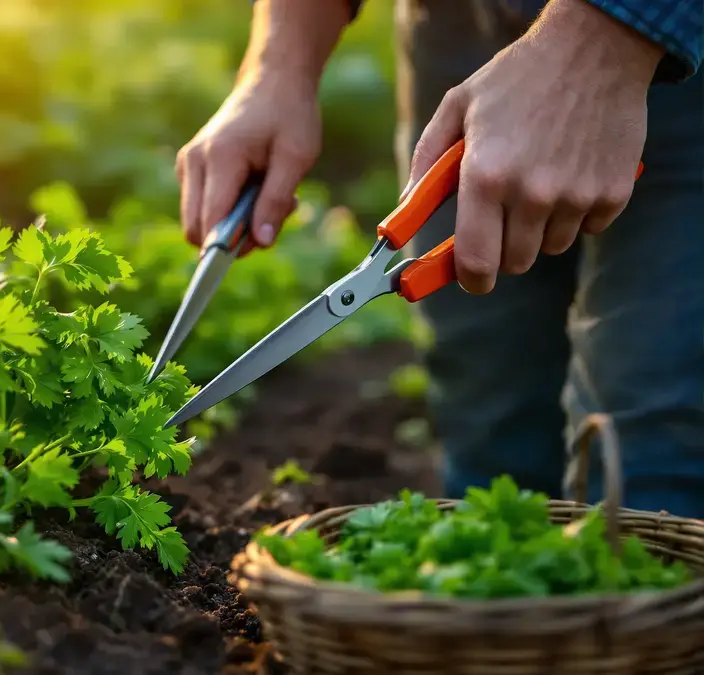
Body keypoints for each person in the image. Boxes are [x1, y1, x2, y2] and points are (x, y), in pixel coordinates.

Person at [177, 0, 704, 517]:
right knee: (487, 408)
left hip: (674, 46)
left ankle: (648, 594)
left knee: (652, 447)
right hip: (454, 30)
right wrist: (279, 62)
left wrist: (599, 46)